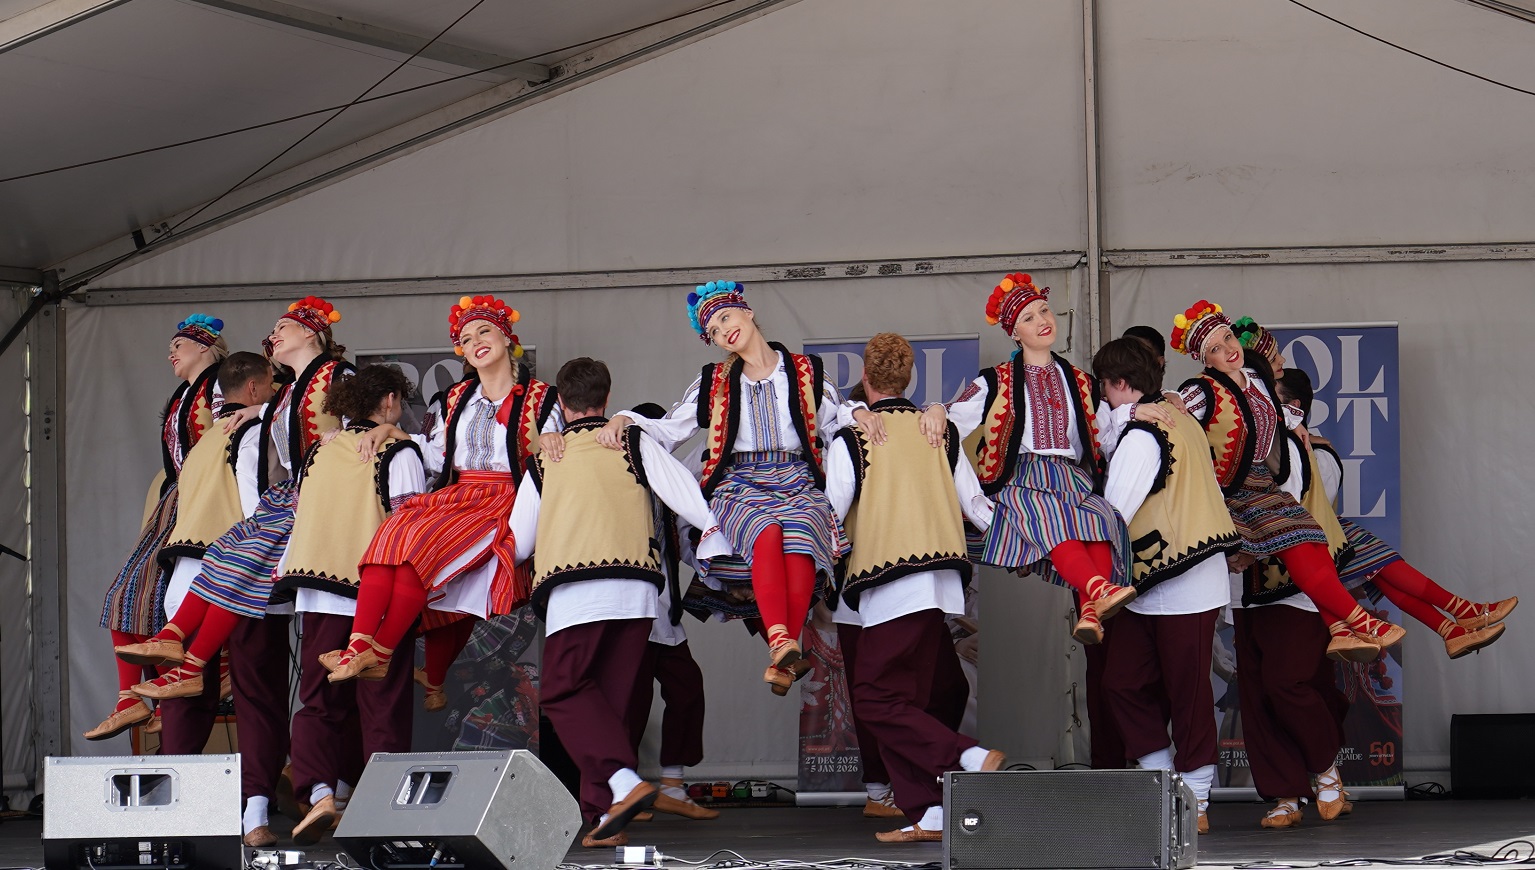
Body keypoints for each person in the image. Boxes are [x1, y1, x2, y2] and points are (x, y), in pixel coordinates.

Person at [118, 296, 352, 844]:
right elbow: (251, 491)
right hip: (241, 554)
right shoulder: (250, 417)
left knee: (223, 685)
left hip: (231, 552)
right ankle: (252, 809)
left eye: (283, 326)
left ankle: (193, 802)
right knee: (257, 687)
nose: (274, 335)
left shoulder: (256, 412)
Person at [567, 281, 873, 693]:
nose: (723, 331)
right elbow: (670, 427)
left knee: (801, 539)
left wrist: (860, 413)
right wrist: (626, 419)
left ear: (748, 312)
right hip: (740, 482)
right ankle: (781, 642)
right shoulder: (714, 380)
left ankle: (784, 655)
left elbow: (837, 416)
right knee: (766, 531)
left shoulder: (806, 371)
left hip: (797, 477)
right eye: (713, 330)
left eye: (726, 317)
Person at [510, 358, 730, 847]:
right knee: (610, 704)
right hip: (637, 592)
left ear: (561, 403)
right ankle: (604, 815)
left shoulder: (547, 457)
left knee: (562, 691)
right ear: (606, 399)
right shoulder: (634, 440)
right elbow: (681, 488)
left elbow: (520, 541)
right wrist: (713, 531)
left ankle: (624, 782)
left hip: (577, 588)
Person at [825, 333, 1005, 844]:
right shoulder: (939, 431)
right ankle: (928, 812)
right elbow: (976, 506)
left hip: (890, 578)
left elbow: (830, 516)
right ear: (909, 379)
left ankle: (965, 756)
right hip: (941, 580)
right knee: (909, 701)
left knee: (874, 699)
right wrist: (1027, 540)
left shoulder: (852, 439)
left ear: (865, 377)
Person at [324, 295, 558, 681]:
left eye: (484, 331)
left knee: (417, 551)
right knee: (391, 534)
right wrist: (394, 431)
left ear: (506, 336)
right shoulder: (457, 397)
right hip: (456, 494)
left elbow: (554, 457)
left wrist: (552, 441)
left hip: (501, 500)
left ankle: (378, 653)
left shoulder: (543, 397)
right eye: (466, 338)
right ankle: (360, 647)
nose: (475, 341)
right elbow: (439, 457)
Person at [927, 275, 1168, 642]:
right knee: (1055, 523)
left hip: (1071, 477)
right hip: (1023, 479)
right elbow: (954, 416)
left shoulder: (1080, 381)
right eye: (1029, 317)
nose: (1042, 320)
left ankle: (1089, 613)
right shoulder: (996, 380)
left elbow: (1104, 429)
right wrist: (935, 409)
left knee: (1102, 520)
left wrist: (1134, 411)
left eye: (1044, 310)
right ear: (1014, 333)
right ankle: (1100, 590)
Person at [1168, 300, 1406, 658]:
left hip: (1264, 483)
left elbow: (1271, 411)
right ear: (1205, 360)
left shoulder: (1255, 377)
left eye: (1228, 338)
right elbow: (1171, 410)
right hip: (1232, 493)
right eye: (1215, 348)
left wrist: (1295, 423)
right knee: (1298, 542)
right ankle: (1363, 622)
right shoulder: (1201, 390)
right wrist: (1166, 398)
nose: (1228, 349)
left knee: (1314, 539)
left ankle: (1340, 628)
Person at [1091, 337, 1243, 834]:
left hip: (1183, 579)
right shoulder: (1179, 417)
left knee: (1187, 695)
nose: (1101, 397)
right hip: (1155, 583)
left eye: (1104, 387)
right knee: (1123, 682)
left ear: (1119, 383)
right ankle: (1162, 781)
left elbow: (1113, 513)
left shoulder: (1141, 436)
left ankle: (1195, 799)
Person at [273, 364, 427, 844]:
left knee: (318, 701)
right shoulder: (398, 451)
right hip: (372, 597)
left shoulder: (319, 450)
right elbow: (410, 526)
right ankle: (381, 812)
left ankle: (321, 792)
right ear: (389, 400)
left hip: (316, 588)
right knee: (382, 703)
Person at [1270, 367, 1513, 659]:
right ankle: (1459, 616)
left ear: (1292, 406)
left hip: (1317, 534)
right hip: (1308, 540)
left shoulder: (1312, 450)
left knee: (1382, 566)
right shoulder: (1292, 444)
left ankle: (1454, 627)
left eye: (1270, 393)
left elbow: (1313, 499)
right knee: (1382, 563)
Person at [88, 313, 226, 741]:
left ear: (203, 347)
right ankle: (131, 698)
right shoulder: (185, 394)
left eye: (178, 346)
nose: (170, 354)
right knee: (128, 597)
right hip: (178, 499)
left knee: (158, 597)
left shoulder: (220, 384)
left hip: (208, 501)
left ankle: (177, 685)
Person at [622, 404, 721, 823]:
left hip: (664, 611)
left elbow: (683, 539)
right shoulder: (621, 481)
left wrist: (721, 574)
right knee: (632, 703)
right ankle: (623, 792)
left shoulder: (670, 483)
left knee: (687, 690)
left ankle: (673, 786)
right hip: (630, 610)